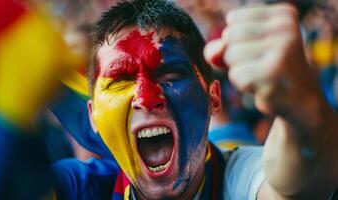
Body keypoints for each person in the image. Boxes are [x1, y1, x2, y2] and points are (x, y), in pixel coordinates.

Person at [52, 0, 338, 199]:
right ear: (92, 117)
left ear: (213, 98)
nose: (147, 98)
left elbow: (293, 187)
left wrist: (303, 115)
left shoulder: (238, 178)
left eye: (171, 74)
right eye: (122, 80)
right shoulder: (81, 188)